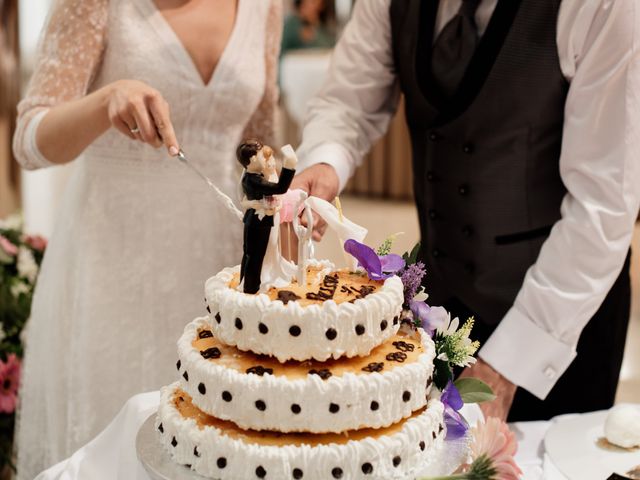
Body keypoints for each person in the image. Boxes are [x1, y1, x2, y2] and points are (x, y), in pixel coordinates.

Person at [293, 0, 640, 422]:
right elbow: (348, 100)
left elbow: (603, 204)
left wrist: (510, 362)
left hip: (564, 317)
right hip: (445, 303)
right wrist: (326, 162)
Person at [12, 0, 281, 477]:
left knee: (215, 446)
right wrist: (105, 99)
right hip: (114, 270)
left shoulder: (266, 8)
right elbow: (29, 141)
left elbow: (259, 146)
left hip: (218, 275)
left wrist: (287, 202)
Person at [237, 140, 296, 293]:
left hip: (256, 220)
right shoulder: (254, 180)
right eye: (262, 156)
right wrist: (289, 166)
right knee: (255, 255)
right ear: (253, 160)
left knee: (250, 254)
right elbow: (280, 188)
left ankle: (245, 282)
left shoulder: (252, 177)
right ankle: (251, 288)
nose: (266, 158)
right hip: (259, 222)